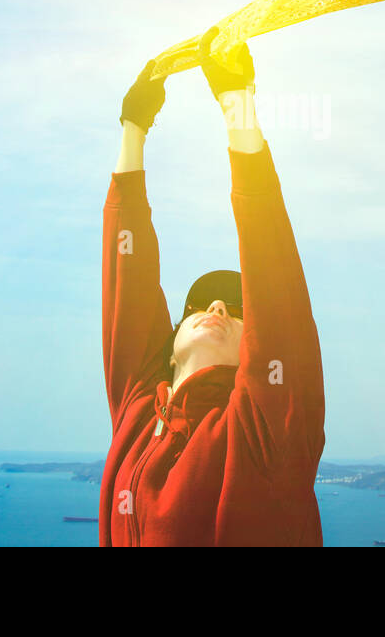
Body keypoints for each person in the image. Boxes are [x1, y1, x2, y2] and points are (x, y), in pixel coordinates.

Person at [99, 28, 325, 546]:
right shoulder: (137, 414)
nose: (219, 305)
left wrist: (236, 105)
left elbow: (276, 281)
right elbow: (125, 286)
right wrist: (134, 127)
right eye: (199, 303)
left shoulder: (266, 430)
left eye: (241, 309)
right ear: (171, 346)